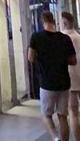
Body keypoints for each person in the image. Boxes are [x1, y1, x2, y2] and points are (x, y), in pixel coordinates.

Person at [30, 10, 76, 141]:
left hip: (47, 83)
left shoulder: (36, 37)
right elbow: (73, 61)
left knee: (46, 114)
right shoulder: (65, 38)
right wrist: (60, 59)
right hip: (64, 83)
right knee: (63, 116)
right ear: (54, 21)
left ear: (42, 21)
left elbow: (31, 58)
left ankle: (55, 138)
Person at [61, 11, 80, 141]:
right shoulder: (79, 37)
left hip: (70, 77)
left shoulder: (62, 38)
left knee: (73, 112)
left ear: (64, 22)